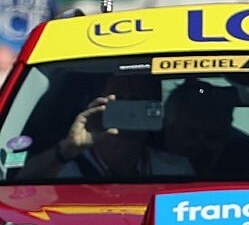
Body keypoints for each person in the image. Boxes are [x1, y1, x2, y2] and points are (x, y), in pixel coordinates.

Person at [20, 72, 194, 180]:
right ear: (97, 104)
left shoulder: (176, 170)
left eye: (136, 100)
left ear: (155, 109)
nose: (127, 110)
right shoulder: (61, 167)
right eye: (117, 99)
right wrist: (68, 147)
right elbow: (18, 193)